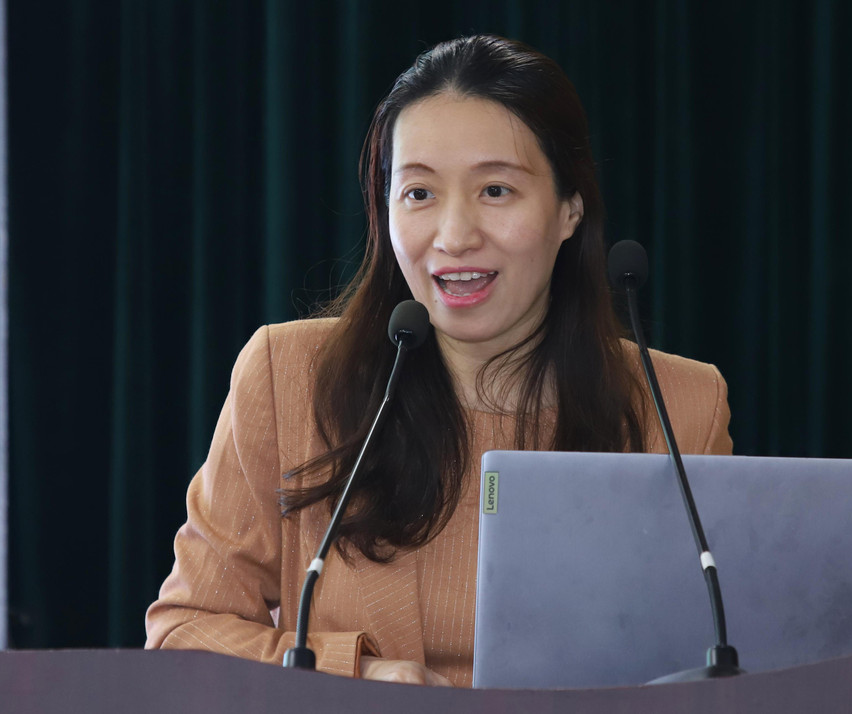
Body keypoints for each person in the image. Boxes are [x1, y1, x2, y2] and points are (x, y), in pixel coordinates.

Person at [145, 34, 733, 688]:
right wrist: (357, 679)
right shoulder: (289, 380)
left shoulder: (679, 407)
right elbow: (183, 633)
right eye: (419, 193)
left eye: (496, 190)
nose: (454, 237)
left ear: (571, 209)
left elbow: (728, 660)